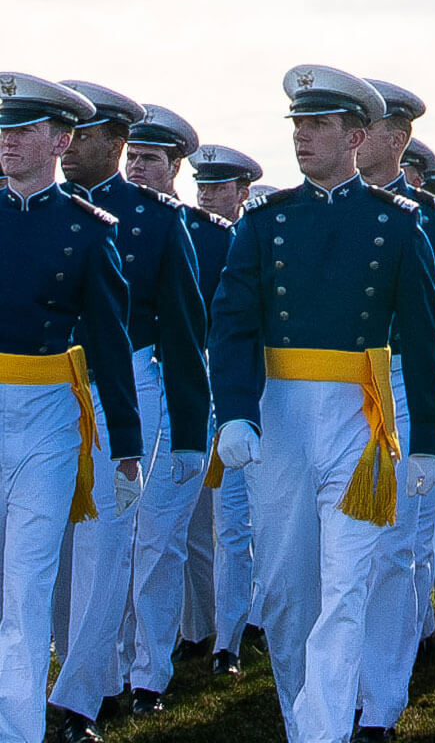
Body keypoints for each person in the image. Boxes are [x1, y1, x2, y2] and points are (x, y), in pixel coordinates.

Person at [207, 64, 435, 743]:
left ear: (357, 136)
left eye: (320, 125)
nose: (304, 137)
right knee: (284, 593)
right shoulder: (265, 222)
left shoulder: (398, 226)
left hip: (358, 420)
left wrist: (426, 438)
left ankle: (325, 732)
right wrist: (234, 411)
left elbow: (425, 338)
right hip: (279, 417)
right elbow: (233, 322)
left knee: (346, 589)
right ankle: (301, 718)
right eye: (299, 125)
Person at [50, 81, 209, 738]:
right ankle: (74, 670)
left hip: (129, 389)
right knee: (47, 551)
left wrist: (190, 435)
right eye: (65, 133)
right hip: (39, 386)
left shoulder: (159, 220)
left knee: (106, 544)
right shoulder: (33, 208)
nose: (68, 148)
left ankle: (79, 698)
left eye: (84, 136)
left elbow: (183, 330)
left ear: (116, 143)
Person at [0, 73, 140, 743]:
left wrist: (128, 448)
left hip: (50, 420)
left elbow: (112, 345)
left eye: (25, 130)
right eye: (5, 128)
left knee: (26, 592)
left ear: (61, 140)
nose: (9, 141)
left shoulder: (87, 231)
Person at [351, 78, 435, 742]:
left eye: (370, 126)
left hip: (399, 384)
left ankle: (380, 706)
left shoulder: (432, 218)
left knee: (396, 552)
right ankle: (340, 684)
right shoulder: (319, 209)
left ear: (398, 139)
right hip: (334, 387)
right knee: (338, 554)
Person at [119, 105, 222, 704]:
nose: (136, 166)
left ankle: (149, 670)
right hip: (99, 388)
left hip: (167, 384)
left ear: (176, 166)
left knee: (159, 540)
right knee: (110, 539)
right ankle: (108, 661)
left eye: (149, 158)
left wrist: (193, 425)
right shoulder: (97, 218)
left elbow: (196, 331)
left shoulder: (197, 232)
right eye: (132, 155)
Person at [185, 145, 265, 677]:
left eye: (219, 188)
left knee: (265, 519)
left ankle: (255, 618)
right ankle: (224, 638)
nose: (209, 196)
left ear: (242, 191)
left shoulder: (260, 239)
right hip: (214, 389)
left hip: (262, 392)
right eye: (204, 187)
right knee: (226, 522)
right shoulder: (196, 238)